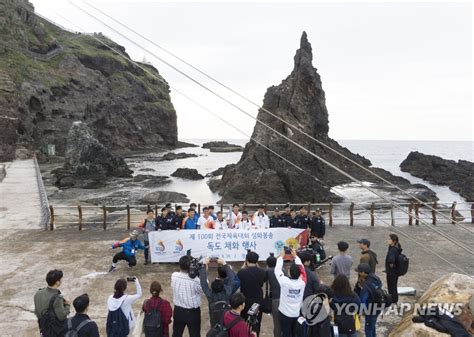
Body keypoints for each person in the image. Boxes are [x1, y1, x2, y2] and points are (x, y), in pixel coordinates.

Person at [275, 249, 307, 337]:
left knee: (286, 333)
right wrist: (296, 256)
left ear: (289, 272)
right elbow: (302, 268)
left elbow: (277, 270)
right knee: (294, 333)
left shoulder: (285, 282)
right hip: (296, 313)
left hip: (284, 313)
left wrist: (281, 257)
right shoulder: (303, 282)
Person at [171, 256, 202, 337]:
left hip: (178, 311)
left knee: (176, 334)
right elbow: (203, 288)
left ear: (179, 265)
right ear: (190, 266)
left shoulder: (174, 276)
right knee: (195, 334)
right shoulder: (196, 280)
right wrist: (199, 273)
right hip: (193, 313)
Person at [237, 251, 267, 336]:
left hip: (244, 301)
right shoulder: (262, 272)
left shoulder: (241, 272)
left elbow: (237, 279)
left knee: (244, 323)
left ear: (246, 260)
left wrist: (243, 266)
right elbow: (262, 281)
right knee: (256, 322)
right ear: (257, 261)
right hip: (258, 301)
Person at [199, 257, 236, 326]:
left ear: (212, 287)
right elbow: (231, 278)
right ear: (223, 286)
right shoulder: (228, 291)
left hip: (214, 320)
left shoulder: (209, 294)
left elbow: (203, 282)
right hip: (227, 318)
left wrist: (204, 265)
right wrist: (224, 264)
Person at [34, 269, 70, 337]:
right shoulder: (57, 298)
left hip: (43, 328)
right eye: (60, 280)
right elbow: (62, 316)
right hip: (55, 331)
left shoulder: (38, 293)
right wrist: (67, 304)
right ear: (57, 282)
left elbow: (36, 312)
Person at [354, 263, 382, 337]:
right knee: (372, 326)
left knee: (368, 328)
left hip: (370, 309)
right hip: (378, 306)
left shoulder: (366, 285)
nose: (358, 273)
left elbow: (363, 300)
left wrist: (360, 312)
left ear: (363, 272)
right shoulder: (375, 278)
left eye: (359, 272)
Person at [265, 254, 283, 337]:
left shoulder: (268, 271)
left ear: (267, 264)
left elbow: (262, 281)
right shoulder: (282, 270)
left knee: (277, 323)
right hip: (285, 298)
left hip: (275, 299)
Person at [385, 234, 402, 304]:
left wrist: (390, 269)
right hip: (395, 272)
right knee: (394, 286)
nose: (388, 240)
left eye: (389, 239)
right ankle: (395, 300)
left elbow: (391, 261)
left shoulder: (393, 250)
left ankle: (392, 301)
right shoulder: (397, 247)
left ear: (394, 241)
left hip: (392, 272)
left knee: (391, 287)